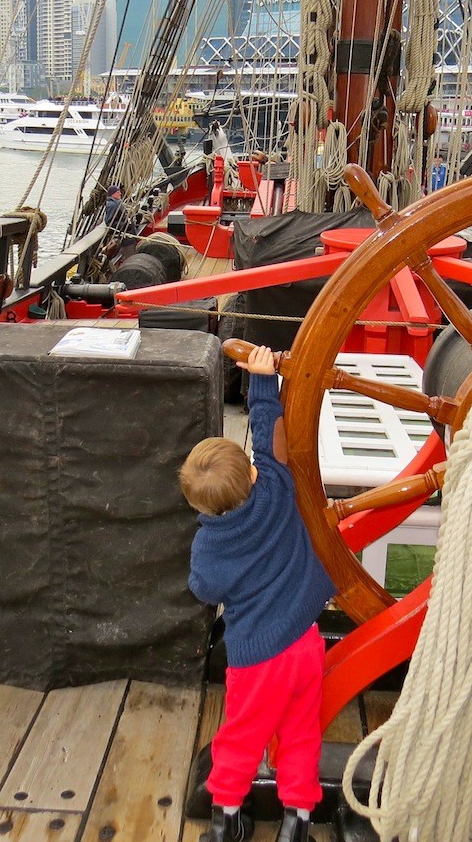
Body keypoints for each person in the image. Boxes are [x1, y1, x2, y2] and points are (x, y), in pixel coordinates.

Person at [179, 345, 335, 842]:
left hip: (256, 660)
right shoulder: (274, 490)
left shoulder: (209, 547)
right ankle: (298, 823)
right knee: (301, 736)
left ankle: (227, 822)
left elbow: (204, 589)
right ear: (250, 472)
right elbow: (270, 438)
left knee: (240, 739)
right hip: (306, 645)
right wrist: (263, 381)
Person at [103, 184, 137, 260]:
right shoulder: (112, 205)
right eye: (118, 192)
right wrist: (124, 225)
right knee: (130, 230)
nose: (120, 193)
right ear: (113, 194)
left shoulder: (117, 202)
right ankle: (129, 252)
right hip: (118, 228)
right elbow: (109, 221)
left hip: (122, 225)